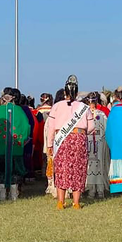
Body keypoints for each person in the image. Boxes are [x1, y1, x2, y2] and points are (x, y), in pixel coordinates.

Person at [46, 76, 94, 210]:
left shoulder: (56, 106)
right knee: (78, 168)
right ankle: (76, 202)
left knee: (62, 168)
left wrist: (49, 144)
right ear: (77, 93)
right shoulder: (84, 107)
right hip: (78, 138)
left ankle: (61, 202)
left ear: (65, 93)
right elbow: (91, 128)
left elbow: (51, 127)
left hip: (61, 138)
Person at [0, 88, 31, 201]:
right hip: (15, 147)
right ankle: (14, 194)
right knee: (15, 170)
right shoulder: (19, 111)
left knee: (0, 170)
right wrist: (23, 140)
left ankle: (2, 195)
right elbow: (26, 127)